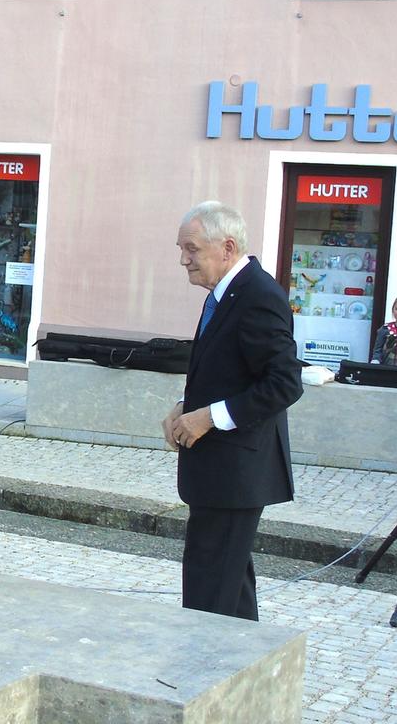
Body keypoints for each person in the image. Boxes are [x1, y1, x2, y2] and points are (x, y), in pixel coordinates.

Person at [162, 201, 302, 621]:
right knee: (229, 585)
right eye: (181, 248)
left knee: (210, 589)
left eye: (191, 248)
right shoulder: (226, 293)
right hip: (219, 472)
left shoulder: (257, 295)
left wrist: (208, 418)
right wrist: (187, 407)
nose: (183, 259)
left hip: (237, 470)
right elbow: (232, 370)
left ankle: (203, 671)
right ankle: (243, 668)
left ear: (226, 247)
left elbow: (284, 383)